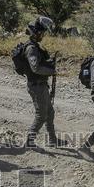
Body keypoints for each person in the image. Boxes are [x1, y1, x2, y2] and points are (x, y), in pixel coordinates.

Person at [22, 16, 60, 148]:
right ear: (35, 33)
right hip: (36, 86)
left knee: (50, 113)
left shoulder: (36, 47)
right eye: (41, 33)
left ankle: (52, 140)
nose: (42, 35)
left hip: (41, 85)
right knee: (41, 115)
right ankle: (29, 141)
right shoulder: (31, 48)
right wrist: (51, 71)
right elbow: (35, 68)